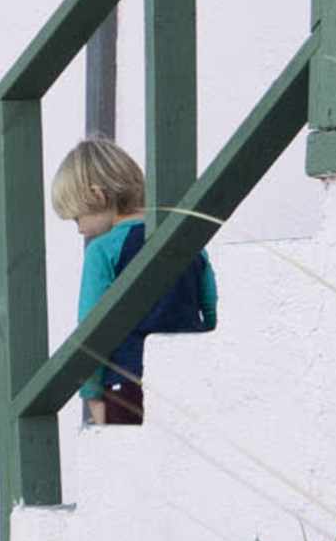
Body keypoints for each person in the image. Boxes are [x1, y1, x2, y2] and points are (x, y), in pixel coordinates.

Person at [51, 131, 215, 425]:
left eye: (77, 218)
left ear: (98, 195)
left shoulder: (102, 250)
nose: (79, 229)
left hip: (127, 383)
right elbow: (210, 300)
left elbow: (90, 328)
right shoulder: (183, 236)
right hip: (191, 374)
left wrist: (92, 395)